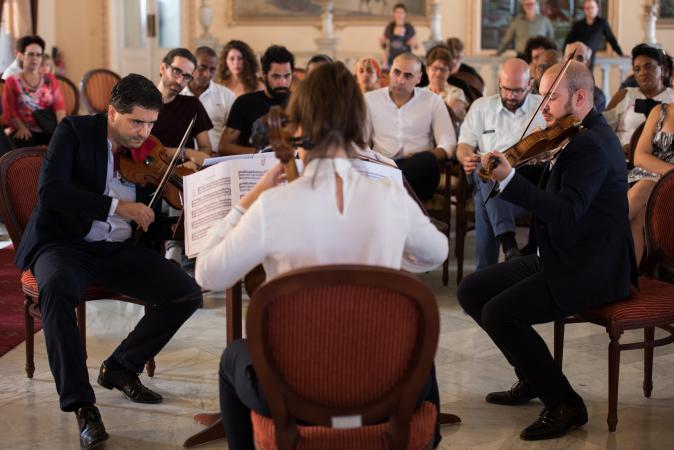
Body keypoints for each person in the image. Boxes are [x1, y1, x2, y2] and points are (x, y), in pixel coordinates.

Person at [195, 61, 448, 450]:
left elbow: (207, 275)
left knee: (234, 357)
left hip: (293, 395)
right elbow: (438, 252)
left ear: (298, 126)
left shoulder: (273, 206)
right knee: (419, 355)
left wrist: (247, 202)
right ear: (361, 124)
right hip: (384, 388)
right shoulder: (391, 198)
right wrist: (397, 256)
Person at [13, 73, 203, 449]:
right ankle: (83, 405)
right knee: (57, 290)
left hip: (117, 250)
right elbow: (51, 192)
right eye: (136, 122)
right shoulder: (75, 131)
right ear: (112, 112)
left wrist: (186, 206)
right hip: (65, 244)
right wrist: (118, 207)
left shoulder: (147, 149)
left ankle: (120, 366)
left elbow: (151, 210)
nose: (144, 132)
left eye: (151, 123)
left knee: (186, 293)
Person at [458, 60, 637, 441]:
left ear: (580, 95)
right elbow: (554, 177)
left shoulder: (591, 144)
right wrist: (514, 170)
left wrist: (510, 182)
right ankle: (532, 376)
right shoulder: (576, 134)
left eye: (550, 97)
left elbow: (567, 213)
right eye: (541, 97)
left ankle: (566, 403)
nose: (544, 108)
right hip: (562, 256)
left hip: (590, 268)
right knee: (471, 291)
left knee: (500, 314)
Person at [456, 58, 545, 269]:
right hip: (483, 175)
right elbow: (463, 146)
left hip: (523, 183)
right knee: (488, 164)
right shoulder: (480, 107)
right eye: (506, 89)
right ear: (498, 82)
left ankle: (486, 275)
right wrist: (466, 157)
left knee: (483, 203)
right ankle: (510, 247)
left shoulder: (542, 108)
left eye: (518, 91)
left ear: (529, 85)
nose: (511, 96)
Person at [365, 53, 456, 201]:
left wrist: (421, 159)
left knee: (428, 159)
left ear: (419, 78)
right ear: (389, 71)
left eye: (408, 76)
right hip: (382, 166)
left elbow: (449, 145)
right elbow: (359, 143)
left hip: (420, 174)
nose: (400, 80)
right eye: (397, 72)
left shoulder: (432, 101)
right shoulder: (370, 100)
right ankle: (390, 188)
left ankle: (387, 188)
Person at [219, 45, 294, 155]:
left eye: (287, 76)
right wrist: (261, 152)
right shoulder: (244, 103)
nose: (282, 82)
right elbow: (223, 147)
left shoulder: (301, 103)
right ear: (264, 76)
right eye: (276, 77)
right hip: (253, 169)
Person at [628, 102, 674, 265]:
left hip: (670, 185)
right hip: (646, 173)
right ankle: (629, 278)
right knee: (639, 214)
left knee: (644, 188)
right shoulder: (660, 111)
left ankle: (600, 235)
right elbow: (639, 157)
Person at [604, 44, 674, 150]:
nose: (643, 73)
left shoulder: (671, 98)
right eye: (637, 69)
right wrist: (618, 149)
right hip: (623, 159)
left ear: (662, 69)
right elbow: (602, 129)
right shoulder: (624, 95)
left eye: (648, 66)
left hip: (661, 159)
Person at [2, 35, 65, 147]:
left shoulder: (49, 78)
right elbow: (9, 110)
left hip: (48, 127)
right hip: (23, 128)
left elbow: (59, 106)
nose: (35, 58)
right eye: (30, 54)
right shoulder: (12, 81)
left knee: (67, 142)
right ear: (20, 56)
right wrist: (21, 127)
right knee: (21, 143)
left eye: (38, 55)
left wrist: (61, 129)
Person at [182, 46, 236, 152]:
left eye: (212, 69)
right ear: (192, 65)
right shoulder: (178, 93)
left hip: (217, 158)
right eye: (202, 67)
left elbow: (233, 137)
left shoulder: (227, 96)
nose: (207, 74)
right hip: (182, 158)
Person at [564, 0, 623, 69]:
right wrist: (564, 55)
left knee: (588, 77)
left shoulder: (602, 23)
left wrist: (620, 53)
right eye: (587, 8)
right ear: (584, 10)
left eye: (592, 7)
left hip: (589, 59)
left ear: (597, 8)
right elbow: (568, 41)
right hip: (575, 57)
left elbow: (611, 39)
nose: (590, 10)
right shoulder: (577, 25)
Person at [424, 46, 469, 121]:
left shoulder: (457, 93)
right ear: (427, 69)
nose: (438, 73)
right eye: (435, 68)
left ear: (449, 72)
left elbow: (448, 115)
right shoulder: (419, 93)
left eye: (443, 69)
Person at [564, 41, 607, 112]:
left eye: (580, 58)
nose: (574, 61)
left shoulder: (597, 96)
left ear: (587, 63)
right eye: (570, 56)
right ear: (564, 60)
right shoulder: (556, 87)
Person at [380, 3, 417, 69]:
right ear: (394, 14)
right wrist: (384, 62)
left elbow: (416, 46)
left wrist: (413, 43)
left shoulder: (409, 27)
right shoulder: (390, 27)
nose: (399, 15)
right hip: (392, 61)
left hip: (406, 61)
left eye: (401, 12)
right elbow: (385, 47)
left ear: (405, 14)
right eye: (397, 12)